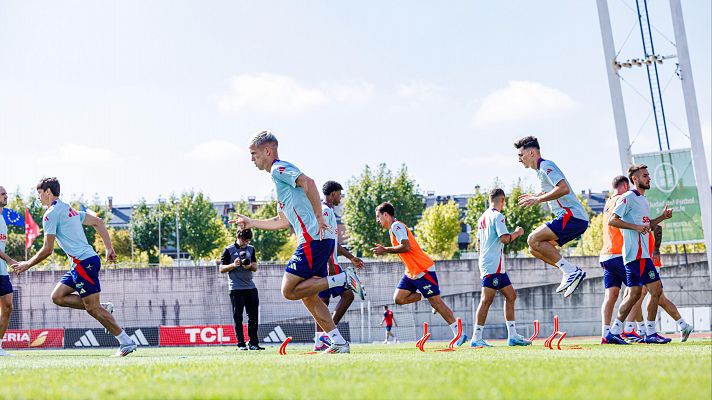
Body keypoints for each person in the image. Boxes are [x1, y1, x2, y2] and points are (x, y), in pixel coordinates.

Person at [233, 131, 364, 354]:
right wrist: (251, 222)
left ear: (268, 151)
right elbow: (281, 222)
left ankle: (344, 278)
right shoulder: (279, 184)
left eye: (254, 154)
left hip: (313, 239)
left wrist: (320, 217)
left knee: (289, 290)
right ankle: (338, 342)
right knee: (308, 296)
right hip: (315, 240)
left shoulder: (278, 168)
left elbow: (309, 182)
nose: (251, 159)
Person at [11, 178, 137, 356]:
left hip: (83, 263)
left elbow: (47, 249)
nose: (38, 197)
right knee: (58, 297)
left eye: (39, 193)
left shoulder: (51, 214)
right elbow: (98, 222)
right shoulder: (69, 210)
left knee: (92, 308)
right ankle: (103, 307)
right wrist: (109, 248)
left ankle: (126, 342)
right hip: (82, 263)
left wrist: (26, 264)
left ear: (48, 192)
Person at [371, 202, 466, 346]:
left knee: (437, 303)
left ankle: (459, 334)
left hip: (423, 269)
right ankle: (427, 295)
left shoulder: (397, 226)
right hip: (411, 272)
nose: (378, 221)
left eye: (379, 217)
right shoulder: (393, 229)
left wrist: (385, 250)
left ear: (386, 215)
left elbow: (406, 246)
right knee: (399, 298)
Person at [605, 164, 678, 344]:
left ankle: (613, 332)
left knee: (634, 295)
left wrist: (662, 217)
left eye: (648, 175)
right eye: (645, 175)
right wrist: (635, 227)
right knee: (656, 290)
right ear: (635, 179)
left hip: (637, 256)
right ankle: (651, 333)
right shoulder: (628, 197)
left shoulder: (643, 200)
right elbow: (612, 220)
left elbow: (648, 225)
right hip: (637, 255)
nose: (649, 178)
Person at [514, 136, 589, 297]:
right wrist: (537, 195)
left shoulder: (546, 166)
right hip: (572, 219)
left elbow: (563, 189)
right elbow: (551, 190)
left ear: (532, 153)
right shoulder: (540, 172)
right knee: (534, 248)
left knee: (532, 239)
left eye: (521, 155)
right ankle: (569, 272)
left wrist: (538, 199)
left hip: (572, 217)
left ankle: (571, 272)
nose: (519, 160)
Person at [471, 188, 529, 347]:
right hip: (493, 264)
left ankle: (512, 336)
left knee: (511, 296)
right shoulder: (498, 216)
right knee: (486, 300)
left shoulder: (482, 218)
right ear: (501, 200)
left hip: (493, 264)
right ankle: (476, 338)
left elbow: (478, 244)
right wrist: (517, 233)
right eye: (504, 201)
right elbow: (504, 239)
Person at [313, 181, 364, 351]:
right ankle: (329, 334)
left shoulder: (326, 211)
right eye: (340, 194)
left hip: (324, 263)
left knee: (323, 301)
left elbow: (333, 243)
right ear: (334, 193)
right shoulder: (326, 211)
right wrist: (330, 265)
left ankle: (319, 341)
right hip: (328, 264)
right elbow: (323, 240)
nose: (341, 197)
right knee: (348, 295)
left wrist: (351, 257)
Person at [621, 225, 693, 343]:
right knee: (658, 298)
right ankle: (683, 326)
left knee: (639, 293)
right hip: (639, 258)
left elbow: (657, 227)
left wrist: (656, 249)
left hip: (648, 259)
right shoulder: (630, 216)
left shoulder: (640, 212)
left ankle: (637, 329)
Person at [220, 228, 264, 351]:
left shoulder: (251, 249)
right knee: (238, 317)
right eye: (244, 240)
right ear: (238, 237)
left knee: (253, 317)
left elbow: (255, 267)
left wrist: (249, 266)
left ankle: (254, 343)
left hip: (251, 288)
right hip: (236, 289)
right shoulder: (228, 250)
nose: (246, 242)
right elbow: (221, 268)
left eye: (248, 240)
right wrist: (234, 265)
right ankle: (241, 344)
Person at [0, 186, 18, 356]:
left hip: (2, 273)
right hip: (4, 266)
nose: (6, 196)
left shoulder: (3, 219)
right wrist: (10, 260)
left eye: (6, 193)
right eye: (2, 194)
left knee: (7, 307)